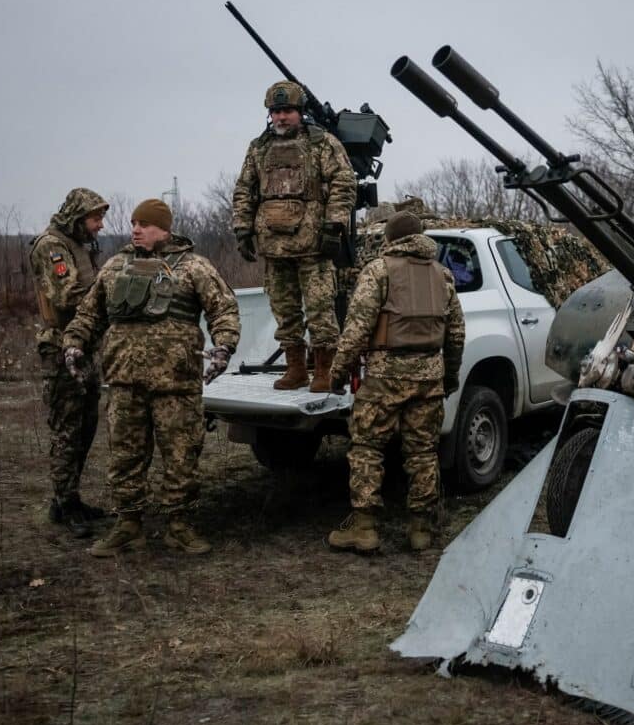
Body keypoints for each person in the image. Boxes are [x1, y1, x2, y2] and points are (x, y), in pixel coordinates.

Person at [62, 199, 240, 557]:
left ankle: (180, 526)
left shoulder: (193, 267)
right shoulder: (115, 268)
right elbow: (88, 314)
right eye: (133, 223)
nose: (135, 229)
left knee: (180, 455)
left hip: (175, 383)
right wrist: (74, 344)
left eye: (144, 224)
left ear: (164, 228)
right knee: (124, 456)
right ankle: (128, 525)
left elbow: (223, 309)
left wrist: (224, 347)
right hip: (126, 382)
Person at [327, 211, 465, 552]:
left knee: (367, 449)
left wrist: (338, 372)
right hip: (429, 378)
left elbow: (357, 327)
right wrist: (449, 376)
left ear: (390, 238)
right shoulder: (443, 275)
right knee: (422, 452)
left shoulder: (379, 270)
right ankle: (420, 529)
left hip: (385, 378)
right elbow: (457, 334)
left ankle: (364, 528)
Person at [232, 80, 356, 393]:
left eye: (287, 110)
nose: (281, 117)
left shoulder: (321, 143)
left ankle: (325, 371)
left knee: (320, 311)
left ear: (299, 112)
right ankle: (296, 369)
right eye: (276, 111)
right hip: (274, 247)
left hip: (312, 246)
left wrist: (334, 226)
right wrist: (243, 229)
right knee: (284, 313)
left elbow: (344, 183)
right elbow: (245, 189)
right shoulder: (258, 148)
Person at [29, 188, 110, 538]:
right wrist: (112, 295)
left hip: (85, 345)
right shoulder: (52, 246)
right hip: (61, 347)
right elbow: (67, 295)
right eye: (95, 219)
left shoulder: (81, 243)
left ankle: (71, 497)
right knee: (67, 428)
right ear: (78, 217)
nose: (100, 226)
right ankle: (64, 503)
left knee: (86, 424)